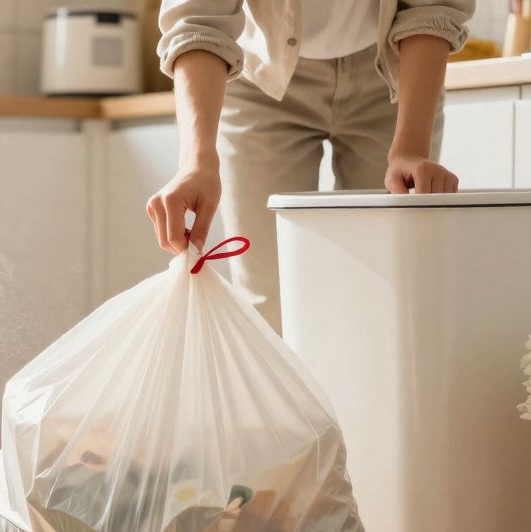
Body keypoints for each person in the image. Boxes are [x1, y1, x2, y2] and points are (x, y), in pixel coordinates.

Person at [148, 0, 473, 332]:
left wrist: (412, 149)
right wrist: (196, 162)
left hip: (393, 73)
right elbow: (198, 18)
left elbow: (431, 6)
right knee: (270, 303)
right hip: (261, 80)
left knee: (387, 295)